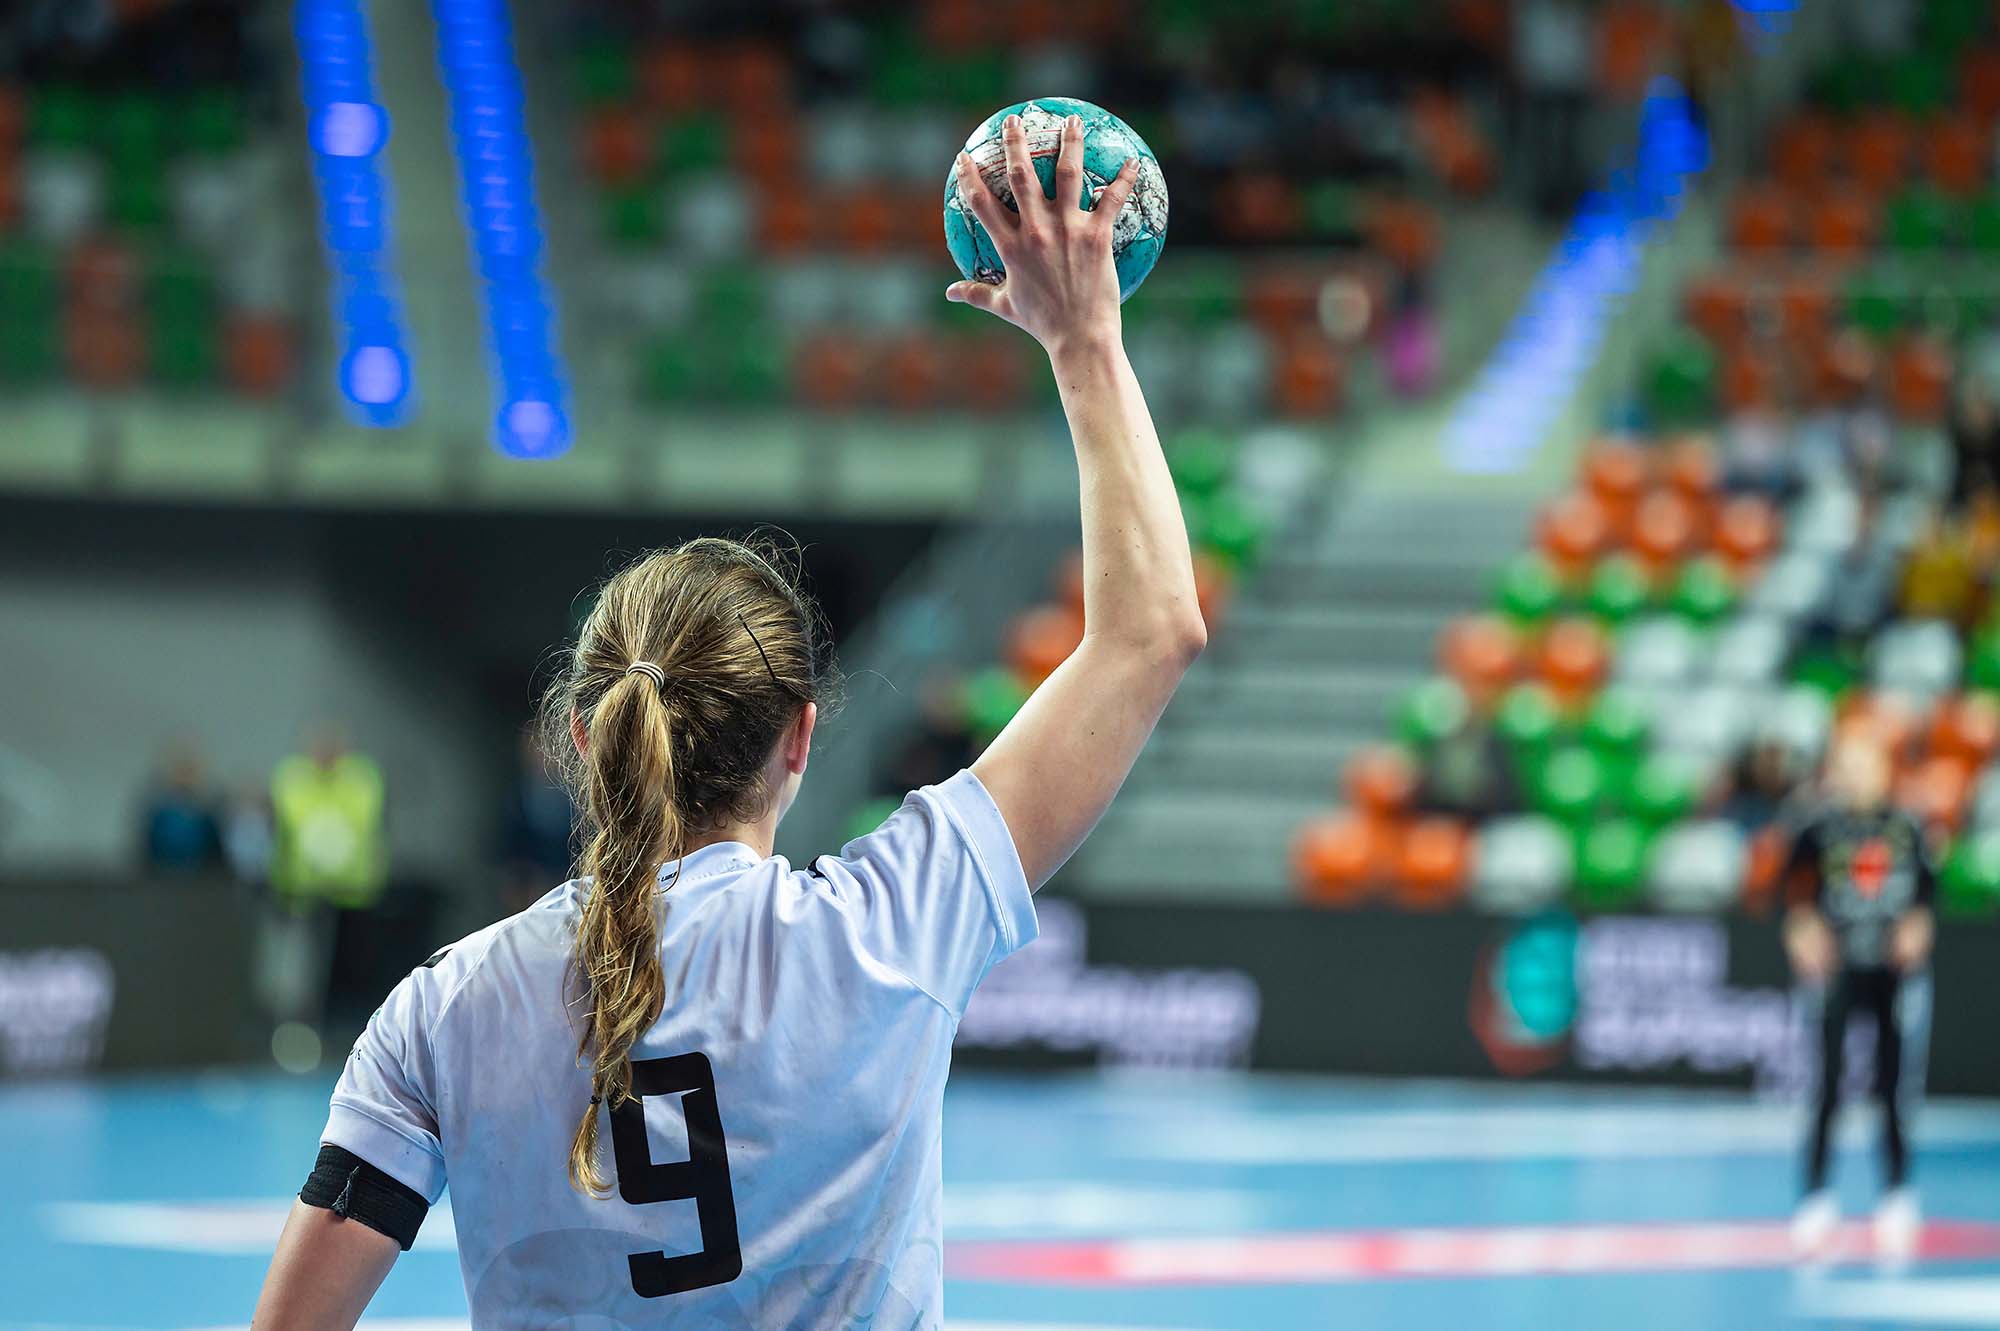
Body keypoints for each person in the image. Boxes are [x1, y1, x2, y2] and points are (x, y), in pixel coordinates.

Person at [252, 115, 1204, 1329]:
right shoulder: (892, 931)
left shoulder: (443, 1009)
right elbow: (1148, 632)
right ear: (798, 739)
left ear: (588, 740)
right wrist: (1083, 343)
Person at [1781, 738, 1937, 1264]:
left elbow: (1927, 898)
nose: (1856, 775)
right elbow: (1791, 890)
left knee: (1895, 1088)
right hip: (1837, 969)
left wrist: (1918, 928)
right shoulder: (1818, 829)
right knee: (1825, 1085)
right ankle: (1816, 1198)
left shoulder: (1907, 828)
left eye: (1865, 763)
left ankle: (1896, 1196)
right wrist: (1802, 927)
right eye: (1847, 765)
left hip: (1892, 972)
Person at [138, 744, 224, 873]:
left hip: (200, 878)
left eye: (189, 770)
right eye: (180, 770)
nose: (185, 776)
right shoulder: (159, 811)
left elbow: (215, 851)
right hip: (162, 876)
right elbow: (146, 849)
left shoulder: (207, 812)